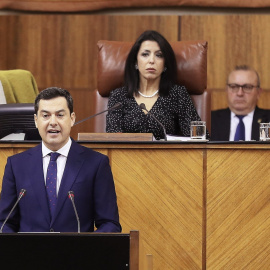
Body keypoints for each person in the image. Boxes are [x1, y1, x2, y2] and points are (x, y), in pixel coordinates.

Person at [0, 87, 121, 233]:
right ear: (36, 120)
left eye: (60, 115)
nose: (53, 122)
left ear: (72, 119)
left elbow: (109, 223)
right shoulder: (16, 165)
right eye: (45, 115)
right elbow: (5, 222)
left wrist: (88, 250)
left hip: (78, 254)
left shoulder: (96, 164)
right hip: (29, 254)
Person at [106, 30, 206, 140]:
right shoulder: (118, 96)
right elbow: (113, 141)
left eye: (159, 55)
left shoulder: (178, 94)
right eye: (145, 54)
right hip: (127, 156)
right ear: (135, 62)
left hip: (168, 156)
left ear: (165, 64)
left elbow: (198, 139)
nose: (152, 60)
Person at [211, 65, 270, 141]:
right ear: (226, 90)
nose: (240, 93)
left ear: (258, 92)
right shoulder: (210, 120)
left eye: (247, 87)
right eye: (234, 87)